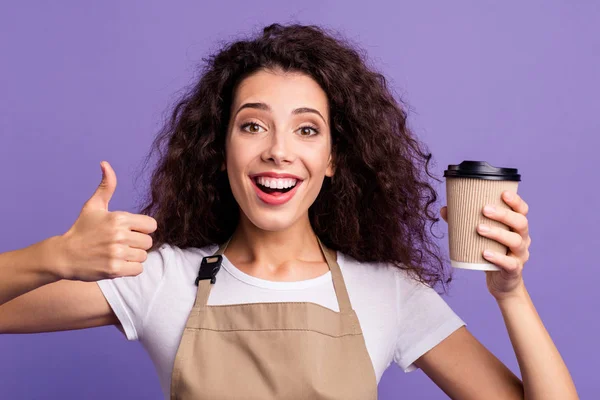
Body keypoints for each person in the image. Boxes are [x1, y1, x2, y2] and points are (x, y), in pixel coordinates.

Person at [0, 23, 578, 400]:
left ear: (331, 159)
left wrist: (511, 294)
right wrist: (54, 257)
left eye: (307, 129)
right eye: (253, 125)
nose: (278, 149)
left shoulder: (387, 293)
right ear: (220, 149)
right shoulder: (161, 278)